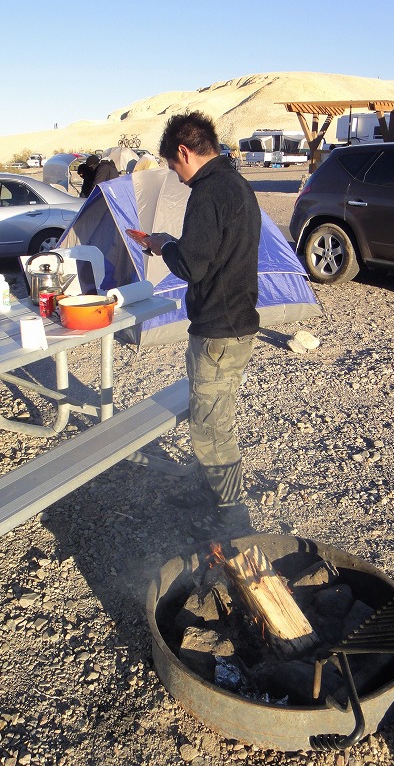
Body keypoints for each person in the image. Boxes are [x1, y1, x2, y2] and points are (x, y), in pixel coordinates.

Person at [146, 111, 261, 537]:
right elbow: (216, 254)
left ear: (184, 151)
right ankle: (207, 487)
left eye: (173, 166)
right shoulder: (237, 183)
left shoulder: (208, 192)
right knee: (209, 413)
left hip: (218, 329)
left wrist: (164, 245)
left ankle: (232, 515)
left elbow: (192, 266)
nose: (176, 177)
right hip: (237, 320)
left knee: (211, 427)